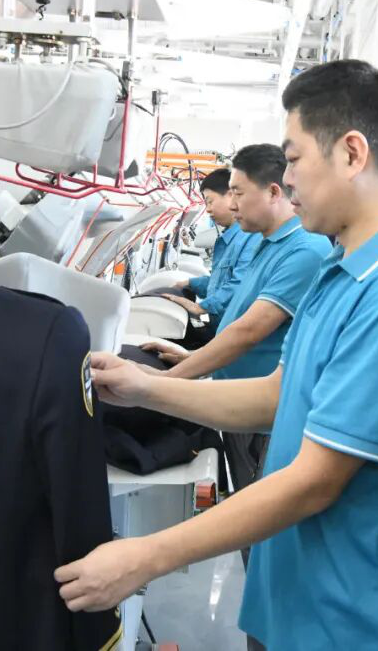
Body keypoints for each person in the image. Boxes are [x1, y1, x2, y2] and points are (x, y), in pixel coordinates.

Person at [55, 60, 378, 650]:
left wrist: (144, 557)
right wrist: (145, 387)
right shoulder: (345, 263)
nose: (288, 180)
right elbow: (279, 394)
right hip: (304, 597)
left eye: (294, 159)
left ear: (352, 153)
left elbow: (313, 483)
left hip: (358, 622)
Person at [146, 144, 331, 501]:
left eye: (238, 193)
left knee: (261, 513)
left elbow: (248, 332)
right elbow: (240, 317)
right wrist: (191, 361)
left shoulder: (304, 250)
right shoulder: (268, 242)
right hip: (239, 405)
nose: (231, 205)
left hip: (264, 420)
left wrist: (165, 382)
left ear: (273, 192)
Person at [159, 168, 260, 332]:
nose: (207, 209)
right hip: (219, 327)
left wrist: (201, 307)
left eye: (210, 201)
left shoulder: (250, 238)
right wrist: (190, 283)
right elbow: (220, 283)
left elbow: (241, 284)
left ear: (231, 196)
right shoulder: (231, 238)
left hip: (230, 331)